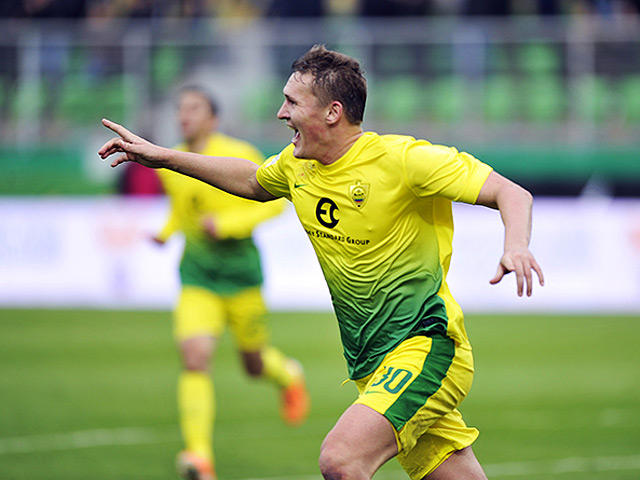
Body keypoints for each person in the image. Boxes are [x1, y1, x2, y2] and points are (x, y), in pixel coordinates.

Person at [99, 45, 544, 480]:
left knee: (341, 459)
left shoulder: (404, 160)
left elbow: (511, 192)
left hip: (426, 348)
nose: (281, 113)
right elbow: (252, 180)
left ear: (332, 112)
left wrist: (516, 245)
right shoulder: (297, 167)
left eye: (292, 102)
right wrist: (162, 157)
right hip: (371, 362)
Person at [152, 85, 310, 480]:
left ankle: (288, 376)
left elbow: (275, 204)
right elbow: (182, 210)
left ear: (213, 118)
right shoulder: (173, 162)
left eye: (194, 108)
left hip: (242, 278)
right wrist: (166, 232)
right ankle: (199, 457)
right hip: (197, 277)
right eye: (181, 108)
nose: (184, 115)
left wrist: (227, 224)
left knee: (253, 364)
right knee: (195, 359)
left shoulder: (239, 154)